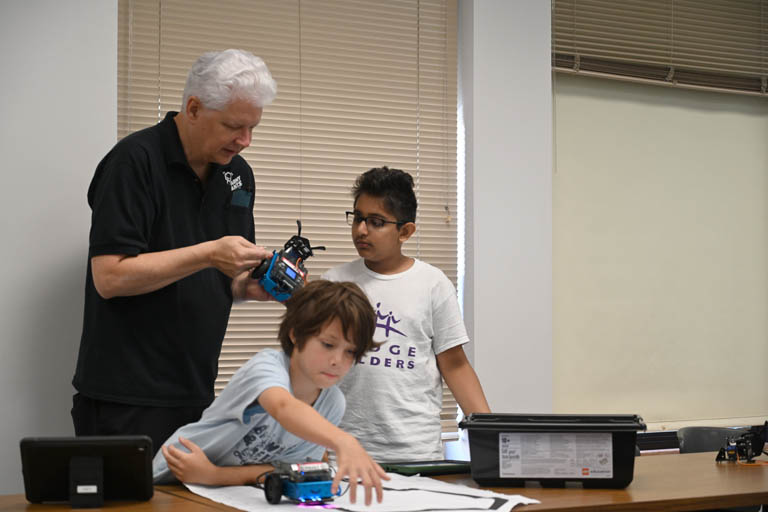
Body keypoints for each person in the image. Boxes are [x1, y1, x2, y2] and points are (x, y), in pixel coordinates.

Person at [71, 49, 278, 454]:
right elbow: (110, 277)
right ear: (194, 108)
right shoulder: (134, 161)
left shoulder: (238, 174)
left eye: (253, 127)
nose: (245, 141)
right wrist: (206, 254)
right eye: (234, 126)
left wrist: (247, 287)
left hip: (196, 390)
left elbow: (219, 277)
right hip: (124, 397)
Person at [153, 280, 388, 505]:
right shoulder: (267, 366)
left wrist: (215, 475)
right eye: (328, 344)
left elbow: (286, 471)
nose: (338, 360)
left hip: (226, 489)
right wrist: (343, 441)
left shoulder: (333, 403)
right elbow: (283, 407)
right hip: (173, 475)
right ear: (296, 334)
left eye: (350, 351)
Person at [322, 166, 491, 462]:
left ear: (405, 231)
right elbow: (313, 367)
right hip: (344, 452)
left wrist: (491, 439)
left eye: (376, 222)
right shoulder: (334, 282)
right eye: (358, 218)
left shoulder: (433, 284)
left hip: (416, 453)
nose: (361, 230)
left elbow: (455, 366)